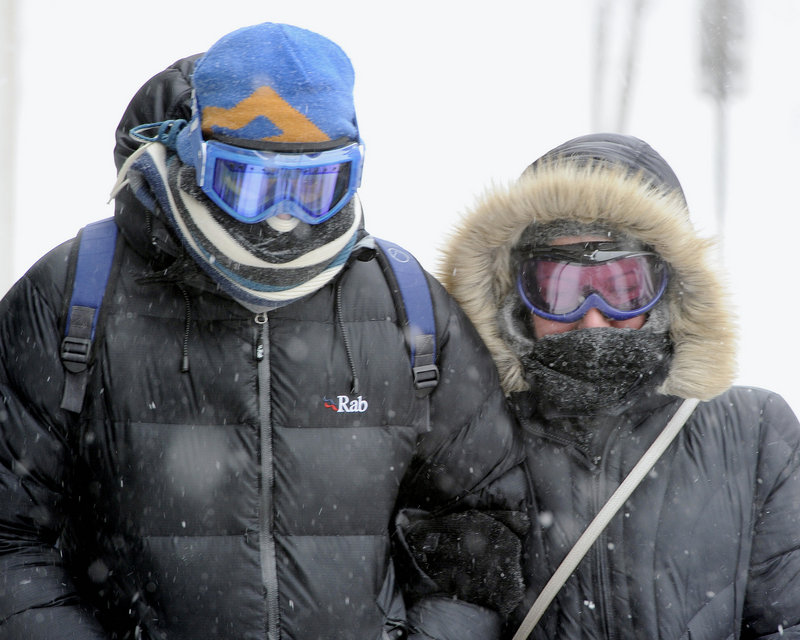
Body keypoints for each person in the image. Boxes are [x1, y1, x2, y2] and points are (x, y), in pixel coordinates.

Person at [0, 23, 528, 640]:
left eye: (315, 189)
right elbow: (10, 534)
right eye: (248, 184)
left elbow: (479, 521)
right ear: (196, 161)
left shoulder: (404, 305)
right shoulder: (75, 292)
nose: (284, 220)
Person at [439, 132, 800, 639]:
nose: (592, 317)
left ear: (667, 289)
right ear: (517, 300)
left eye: (623, 288)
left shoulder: (754, 433)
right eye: (557, 289)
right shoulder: (469, 439)